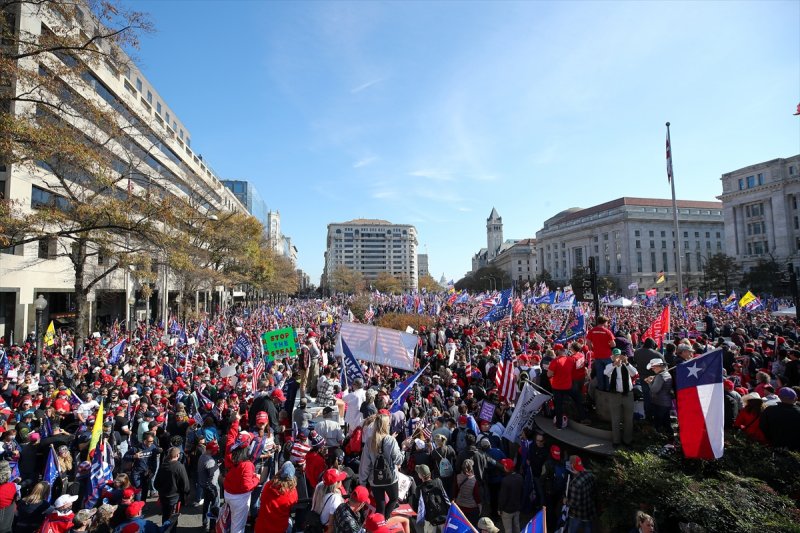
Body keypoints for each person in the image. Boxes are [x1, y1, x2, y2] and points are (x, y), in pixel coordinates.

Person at [358, 412, 403, 517]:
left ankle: (379, 523)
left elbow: (365, 464)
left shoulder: (369, 441)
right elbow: (399, 460)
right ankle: (385, 521)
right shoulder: (391, 440)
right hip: (390, 478)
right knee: (394, 499)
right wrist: (403, 449)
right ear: (385, 425)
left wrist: (362, 483)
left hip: (374, 480)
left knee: (380, 504)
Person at [223, 422, 261, 533]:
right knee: (238, 527)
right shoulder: (247, 465)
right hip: (239, 498)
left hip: (228, 492)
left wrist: (235, 422)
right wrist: (257, 478)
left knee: (231, 520)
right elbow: (247, 485)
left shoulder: (230, 453)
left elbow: (230, 437)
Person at [604, 349, 638, 447]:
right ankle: (616, 440)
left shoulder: (627, 366)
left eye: (619, 356)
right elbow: (606, 372)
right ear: (612, 357)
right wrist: (615, 364)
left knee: (628, 419)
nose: (618, 358)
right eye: (616, 356)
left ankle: (627, 440)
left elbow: (634, 373)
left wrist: (626, 363)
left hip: (628, 394)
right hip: (615, 395)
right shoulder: (610, 366)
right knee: (615, 419)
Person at [547, 344, 585, 429]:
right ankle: (583, 417)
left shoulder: (555, 361)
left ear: (558, 351)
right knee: (578, 400)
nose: (554, 351)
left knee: (559, 406)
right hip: (568, 386)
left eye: (555, 350)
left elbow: (549, 374)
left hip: (557, 387)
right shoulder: (571, 359)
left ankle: (559, 425)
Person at [153, 447, 190, 533]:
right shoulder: (179, 466)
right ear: (177, 455)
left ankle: (164, 530)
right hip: (174, 498)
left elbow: (156, 483)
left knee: (165, 516)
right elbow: (185, 484)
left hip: (163, 496)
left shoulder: (163, 465)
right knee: (173, 518)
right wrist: (186, 494)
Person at [254, 462, 298, 533]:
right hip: (279, 529)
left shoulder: (268, 485)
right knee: (290, 521)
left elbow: (262, 499)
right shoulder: (292, 492)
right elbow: (294, 503)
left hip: (261, 528)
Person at [414, 464, 450, 533]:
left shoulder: (419, 489)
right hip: (443, 516)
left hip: (430, 520)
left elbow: (418, 507)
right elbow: (445, 497)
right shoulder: (438, 481)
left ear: (420, 476)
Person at [565, 456, 595, 533]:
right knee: (588, 528)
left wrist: (566, 501)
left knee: (572, 530)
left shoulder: (575, 484)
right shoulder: (589, 474)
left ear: (572, 465)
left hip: (577, 513)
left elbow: (574, 503)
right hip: (589, 508)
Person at [644, 359, 672, 438]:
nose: (652, 369)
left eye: (653, 367)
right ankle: (669, 438)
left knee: (658, 424)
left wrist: (649, 383)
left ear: (659, 366)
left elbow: (654, 390)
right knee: (666, 422)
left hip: (660, 403)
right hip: (666, 402)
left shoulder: (660, 376)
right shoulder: (666, 373)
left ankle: (660, 440)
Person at [586, 316, 616, 391]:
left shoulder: (592, 331)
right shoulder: (607, 331)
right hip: (607, 355)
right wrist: (606, 345)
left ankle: (601, 389)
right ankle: (607, 389)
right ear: (604, 322)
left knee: (600, 373)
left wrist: (592, 348)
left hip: (597, 355)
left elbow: (588, 342)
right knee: (608, 373)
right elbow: (613, 344)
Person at [197, 441, 220, 531]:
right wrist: (213, 490)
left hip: (205, 486)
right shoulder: (210, 461)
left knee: (206, 506)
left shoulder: (202, 456)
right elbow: (211, 476)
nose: (216, 451)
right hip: (212, 487)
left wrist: (216, 464)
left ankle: (205, 524)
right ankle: (212, 527)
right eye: (215, 450)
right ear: (210, 450)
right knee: (214, 507)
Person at [498, 458, 522, 533]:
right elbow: (522, 492)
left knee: (508, 530)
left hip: (507, 511)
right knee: (517, 526)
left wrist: (500, 509)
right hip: (517, 508)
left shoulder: (505, 481)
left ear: (506, 468)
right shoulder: (520, 477)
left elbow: (503, 498)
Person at [454, 459, 480, 526]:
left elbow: (455, 491)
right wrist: (480, 505)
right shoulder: (474, 480)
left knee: (462, 525)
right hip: (472, 507)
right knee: (472, 526)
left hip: (460, 505)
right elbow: (476, 495)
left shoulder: (457, 477)